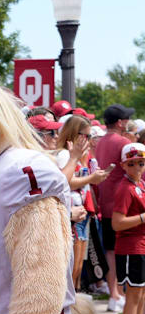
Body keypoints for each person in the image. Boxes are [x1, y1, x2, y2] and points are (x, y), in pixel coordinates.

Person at [55, 115, 110, 291]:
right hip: (71, 212)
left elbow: (81, 181)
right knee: (72, 267)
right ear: (73, 133)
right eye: (85, 135)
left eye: (89, 136)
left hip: (82, 212)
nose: (88, 140)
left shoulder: (79, 157)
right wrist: (91, 178)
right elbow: (66, 182)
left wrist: (94, 178)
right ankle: (67, 308)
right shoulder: (65, 154)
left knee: (78, 266)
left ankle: (74, 305)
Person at [96, 104, 134, 311]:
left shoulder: (100, 142)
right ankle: (121, 293)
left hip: (105, 203)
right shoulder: (123, 142)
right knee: (124, 251)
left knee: (111, 251)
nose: (127, 122)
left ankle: (115, 294)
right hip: (123, 205)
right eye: (126, 119)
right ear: (120, 122)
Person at [111, 142, 145, 314]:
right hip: (131, 247)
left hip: (140, 246)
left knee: (141, 295)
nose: (137, 168)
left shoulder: (139, 184)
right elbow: (117, 223)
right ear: (124, 165)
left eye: (141, 163)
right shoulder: (125, 188)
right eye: (132, 164)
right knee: (133, 296)